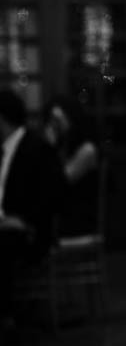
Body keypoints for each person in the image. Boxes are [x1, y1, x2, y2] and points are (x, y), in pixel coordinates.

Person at [0, 89, 65, 327]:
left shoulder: (36, 148)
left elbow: (54, 195)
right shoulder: (3, 150)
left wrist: (23, 219)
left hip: (31, 230)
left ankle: (6, 316)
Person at [42, 95, 100, 237]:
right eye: (51, 120)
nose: (54, 126)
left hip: (78, 217)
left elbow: (61, 182)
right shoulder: (62, 146)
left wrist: (50, 148)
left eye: (58, 120)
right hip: (62, 212)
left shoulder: (87, 149)